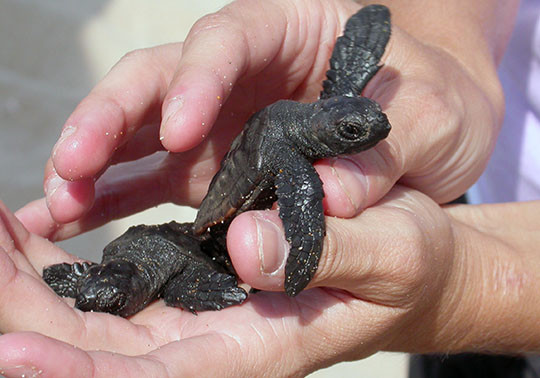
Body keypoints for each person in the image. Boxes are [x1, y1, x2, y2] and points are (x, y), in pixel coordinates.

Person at [1, 0, 537, 376]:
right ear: (323, 123)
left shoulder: (303, 135)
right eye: (353, 131)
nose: (377, 133)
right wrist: (450, 57)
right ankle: (79, 279)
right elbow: (302, 183)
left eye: (369, 122)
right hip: (208, 238)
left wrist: (464, 280)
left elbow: (337, 127)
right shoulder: (292, 145)